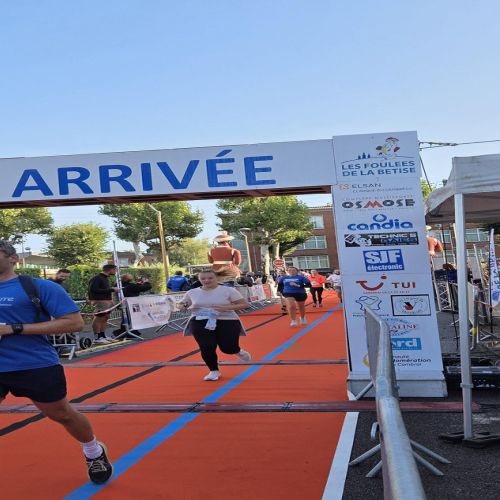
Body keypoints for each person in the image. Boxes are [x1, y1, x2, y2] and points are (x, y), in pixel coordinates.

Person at [0, 240, 113, 484]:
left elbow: (74, 323)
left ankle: (93, 451)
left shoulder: (38, 287)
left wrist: (14, 328)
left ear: (12, 258)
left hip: (33, 364)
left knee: (62, 414)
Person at [179, 269, 251, 381]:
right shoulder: (192, 292)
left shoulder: (228, 290)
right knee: (207, 346)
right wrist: (182, 306)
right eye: (203, 279)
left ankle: (236, 351)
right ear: (199, 279)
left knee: (227, 348)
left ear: (216, 278)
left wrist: (225, 308)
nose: (206, 281)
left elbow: (244, 304)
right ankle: (213, 370)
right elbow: (182, 304)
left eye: (210, 278)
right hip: (200, 320)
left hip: (226, 319)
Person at [87, 264, 119, 345]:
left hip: (107, 300)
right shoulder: (97, 278)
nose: (115, 272)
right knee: (99, 318)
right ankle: (97, 337)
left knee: (105, 318)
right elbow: (93, 290)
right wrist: (111, 289)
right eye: (115, 270)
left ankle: (103, 336)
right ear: (110, 269)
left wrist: (110, 291)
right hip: (100, 301)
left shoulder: (104, 278)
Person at [113, 274, 152, 338]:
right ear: (126, 279)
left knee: (126, 318)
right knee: (128, 318)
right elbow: (144, 288)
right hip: (129, 304)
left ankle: (126, 331)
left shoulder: (118, 285)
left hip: (122, 303)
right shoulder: (130, 286)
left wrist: (138, 284)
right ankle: (126, 332)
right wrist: (146, 282)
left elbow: (134, 288)